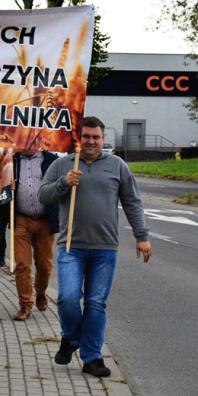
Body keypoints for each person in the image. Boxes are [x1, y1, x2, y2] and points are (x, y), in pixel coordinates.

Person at [39, 116, 153, 378]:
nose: (91, 141)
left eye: (96, 137)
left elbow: (132, 202)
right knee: (67, 297)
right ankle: (70, 337)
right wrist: (64, 183)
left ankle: (92, 358)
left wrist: (141, 236)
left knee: (95, 303)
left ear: (103, 139)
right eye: (86, 136)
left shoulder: (117, 166)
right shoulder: (62, 164)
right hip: (71, 246)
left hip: (105, 248)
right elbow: (43, 195)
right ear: (79, 138)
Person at [11, 147, 60, 321]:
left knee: (45, 265)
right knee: (22, 264)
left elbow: (60, 186)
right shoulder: (12, 159)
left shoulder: (52, 159)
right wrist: (6, 185)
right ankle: (25, 305)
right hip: (21, 219)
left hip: (45, 219)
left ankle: (41, 292)